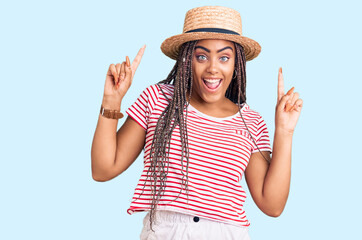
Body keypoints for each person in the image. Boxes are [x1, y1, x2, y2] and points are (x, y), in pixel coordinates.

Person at [91, 6, 303, 240]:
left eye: (224, 57)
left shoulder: (251, 122)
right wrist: (112, 100)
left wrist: (284, 130)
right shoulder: (158, 100)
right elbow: (103, 169)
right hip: (166, 231)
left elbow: (272, 205)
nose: (213, 67)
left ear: (236, 64)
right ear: (186, 58)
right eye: (201, 56)